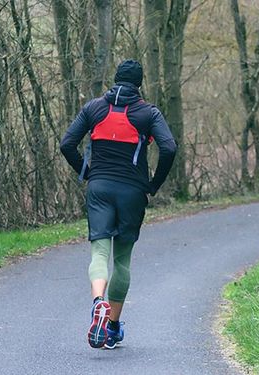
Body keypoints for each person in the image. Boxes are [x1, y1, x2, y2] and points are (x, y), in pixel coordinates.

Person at [60, 60, 176, 349]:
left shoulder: (94, 108)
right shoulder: (148, 113)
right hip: (132, 192)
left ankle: (97, 301)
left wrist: (86, 172)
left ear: (115, 80)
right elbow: (169, 147)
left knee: (99, 252)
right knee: (122, 260)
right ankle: (111, 327)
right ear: (139, 84)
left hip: (99, 187)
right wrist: (154, 184)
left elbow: (66, 143)